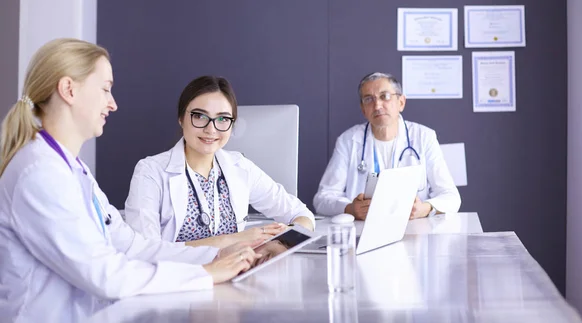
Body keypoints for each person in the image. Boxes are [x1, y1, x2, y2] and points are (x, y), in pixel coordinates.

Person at [0, 38, 261, 323]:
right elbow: (104, 274)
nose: (112, 103)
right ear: (69, 90)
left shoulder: (71, 169)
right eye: (105, 89)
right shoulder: (39, 173)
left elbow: (132, 245)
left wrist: (217, 255)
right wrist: (206, 274)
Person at [124, 75, 315, 248]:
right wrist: (233, 239)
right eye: (199, 116)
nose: (211, 129)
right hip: (180, 281)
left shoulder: (240, 166)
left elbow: (303, 215)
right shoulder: (150, 171)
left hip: (237, 278)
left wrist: (279, 244)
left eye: (222, 119)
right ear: (181, 118)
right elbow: (144, 251)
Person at [313, 72, 461, 220]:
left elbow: (451, 197)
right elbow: (322, 199)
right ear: (363, 109)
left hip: (413, 230)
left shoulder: (424, 137)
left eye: (385, 96)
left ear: (401, 103)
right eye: (368, 99)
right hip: (364, 230)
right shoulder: (348, 141)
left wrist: (425, 208)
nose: (377, 105)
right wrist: (349, 208)